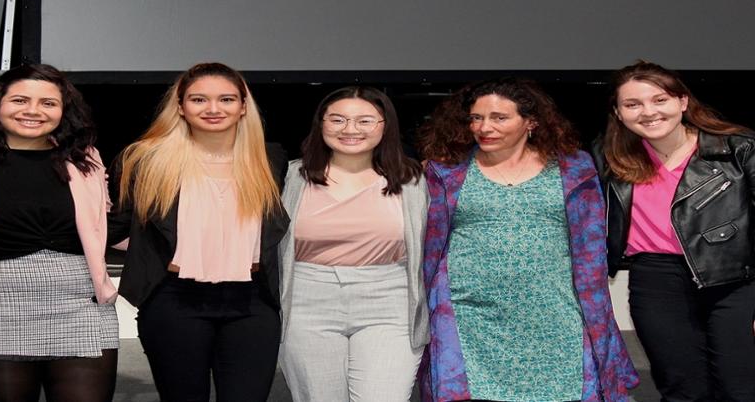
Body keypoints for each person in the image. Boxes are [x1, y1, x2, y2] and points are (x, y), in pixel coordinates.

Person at [417, 78, 637, 402]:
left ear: (531, 122)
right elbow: (431, 244)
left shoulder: (573, 168)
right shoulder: (446, 171)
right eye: (476, 118)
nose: (484, 127)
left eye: (498, 118)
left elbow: (591, 251)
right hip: (470, 316)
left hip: (554, 314)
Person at [0, 64, 118, 401]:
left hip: (80, 306)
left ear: (64, 111)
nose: (33, 111)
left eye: (48, 103)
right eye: (19, 100)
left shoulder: (85, 159)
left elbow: (105, 223)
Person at [109, 62, 289, 402]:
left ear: (243, 107)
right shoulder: (145, 160)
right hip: (174, 301)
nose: (213, 109)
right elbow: (116, 228)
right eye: (199, 100)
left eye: (226, 99)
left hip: (252, 303)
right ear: (180, 106)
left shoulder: (269, 159)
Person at [594, 60, 755, 401]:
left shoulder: (737, 148)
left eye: (660, 100)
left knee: (740, 389)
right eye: (632, 104)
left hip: (735, 281)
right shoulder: (608, 157)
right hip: (655, 282)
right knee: (682, 390)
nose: (648, 112)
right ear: (618, 113)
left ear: (682, 102)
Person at [278, 86, 429, 401]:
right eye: (338, 120)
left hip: (389, 301)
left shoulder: (412, 180)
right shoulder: (290, 176)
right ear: (321, 124)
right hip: (307, 300)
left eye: (365, 121)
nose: (350, 130)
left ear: (385, 127)